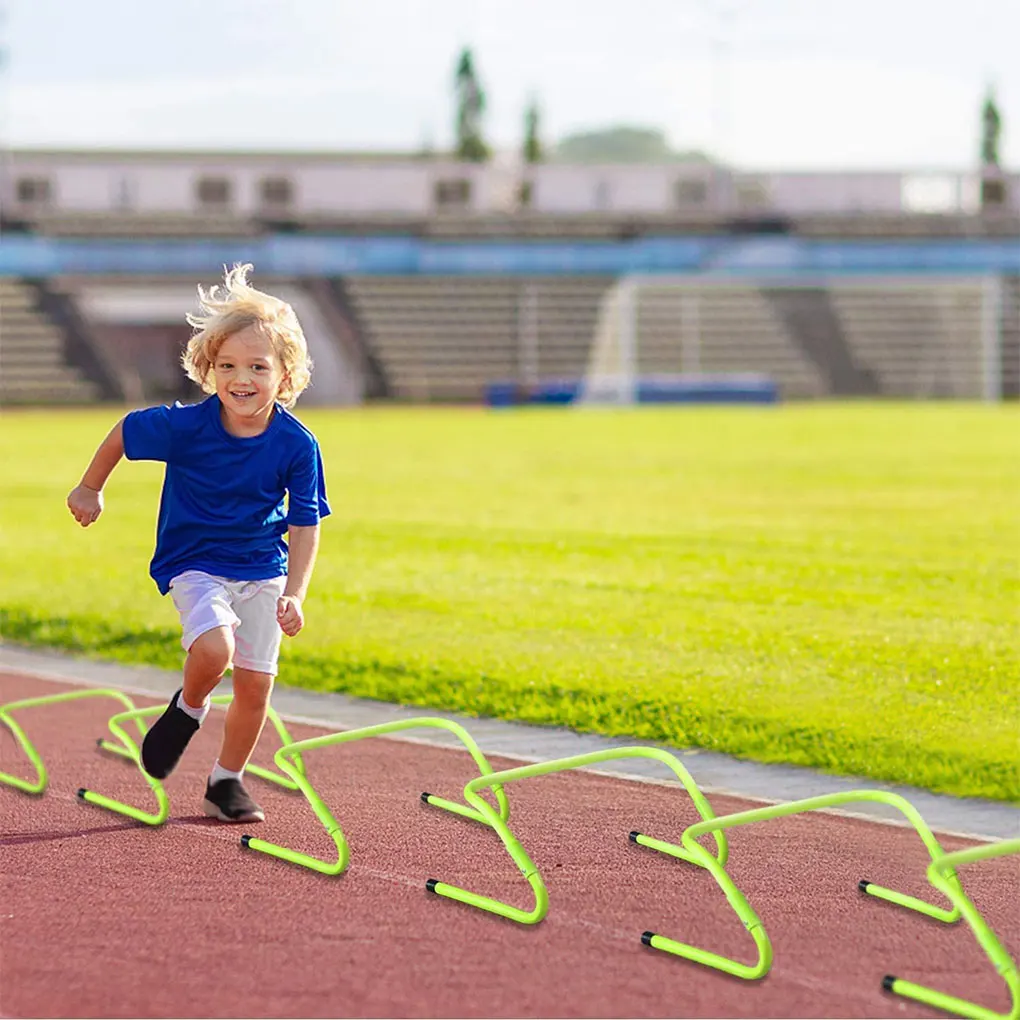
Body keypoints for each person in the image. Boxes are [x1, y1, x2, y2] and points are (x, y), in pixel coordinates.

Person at [66, 264, 330, 823]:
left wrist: (297, 593)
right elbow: (123, 432)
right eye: (228, 365)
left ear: (285, 377)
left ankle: (225, 781)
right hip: (195, 563)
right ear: (209, 371)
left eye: (258, 367)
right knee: (215, 651)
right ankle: (188, 708)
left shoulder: (297, 444)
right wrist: (91, 487)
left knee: (256, 689)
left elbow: (306, 522)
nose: (242, 378)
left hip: (263, 568)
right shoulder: (184, 426)